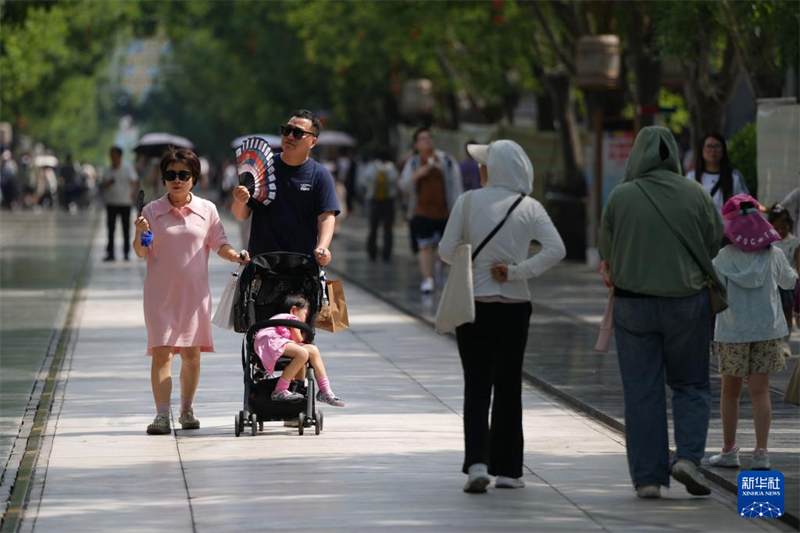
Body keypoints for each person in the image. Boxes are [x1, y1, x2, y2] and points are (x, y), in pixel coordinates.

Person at [599, 126, 723, 500]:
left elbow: (607, 249)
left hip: (632, 305)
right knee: (690, 385)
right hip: (686, 303)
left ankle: (648, 478)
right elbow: (713, 240)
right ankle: (687, 458)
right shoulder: (695, 193)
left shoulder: (620, 196)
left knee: (642, 391)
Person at [439, 140, 566, 493]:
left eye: (484, 164)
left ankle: (478, 464)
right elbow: (557, 249)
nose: (479, 168)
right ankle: (510, 471)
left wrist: (472, 255)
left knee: (477, 386)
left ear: (493, 170)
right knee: (509, 387)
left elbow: (446, 252)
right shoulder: (531, 207)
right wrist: (515, 271)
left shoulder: (467, 202)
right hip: (515, 307)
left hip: (474, 306)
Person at [134, 148, 249, 435]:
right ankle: (162, 416)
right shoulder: (151, 212)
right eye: (170, 175)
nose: (176, 180)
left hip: (195, 296)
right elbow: (140, 251)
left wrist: (235, 255)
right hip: (160, 296)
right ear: (163, 179)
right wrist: (139, 232)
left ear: (194, 178)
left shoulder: (207, 210)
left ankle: (186, 409)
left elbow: (219, 243)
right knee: (162, 355)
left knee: (191, 356)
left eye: (183, 175)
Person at [708, 195, 797, 470]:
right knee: (760, 392)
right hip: (767, 330)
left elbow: (713, 292)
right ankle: (761, 453)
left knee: (730, 393)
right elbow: (789, 282)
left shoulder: (723, 258)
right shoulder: (775, 254)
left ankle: (729, 451)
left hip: (732, 332)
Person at [231, 109, 339, 267]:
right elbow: (241, 215)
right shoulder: (262, 168)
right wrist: (240, 201)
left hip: (302, 267)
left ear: (313, 142)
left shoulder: (321, 175)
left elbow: (327, 216)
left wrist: (323, 247)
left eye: (298, 133)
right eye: (287, 130)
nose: (289, 136)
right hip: (262, 265)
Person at [400, 127, 463, 293]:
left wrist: (458, 209)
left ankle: (439, 269)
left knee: (446, 247)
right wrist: (419, 174)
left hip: (445, 211)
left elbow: (456, 186)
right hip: (421, 211)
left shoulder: (446, 160)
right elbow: (404, 185)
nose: (427, 141)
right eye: (422, 139)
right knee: (425, 246)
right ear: (416, 144)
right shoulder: (413, 163)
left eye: (429, 138)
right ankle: (427, 279)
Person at [253, 294, 345, 407]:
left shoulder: (280, 319)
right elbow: (298, 340)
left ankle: (325, 390)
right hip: (271, 341)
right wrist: (306, 334)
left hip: (271, 342)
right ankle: (280, 390)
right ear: (294, 310)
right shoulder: (292, 319)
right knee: (302, 353)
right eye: (305, 314)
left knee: (313, 350)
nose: (305, 318)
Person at [685, 132, 749, 214]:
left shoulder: (734, 177)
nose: (713, 150)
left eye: (717, 146)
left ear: (723, 150)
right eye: (709, 146)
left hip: (727, 225)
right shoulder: (691, 177)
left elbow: (744, 204)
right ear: (702, 150)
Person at [768, 203, 800, 356]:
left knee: (787, 313)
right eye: (776, 228)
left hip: (788, 283)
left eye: (783, 227)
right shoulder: (769, 242)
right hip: (772, 283)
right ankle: (774, 343)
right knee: (772, 314)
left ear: (789, 226)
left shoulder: (795, 242)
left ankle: (785, 343)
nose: (780, 231)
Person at [359, 151, 399, 262]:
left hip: (374, 201)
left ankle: (372, 252)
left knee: (373, 228)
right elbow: (396, 183)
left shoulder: (371, 166)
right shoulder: (392, 168)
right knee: (388, 229)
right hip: (388, 201)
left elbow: (363, 182)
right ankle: (387, 253)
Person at [100, 146, 138, 261]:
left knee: (126, 229)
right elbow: (102, 184)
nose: (113, 158)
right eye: (111, 156)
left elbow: (134, 181)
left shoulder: (127, 168)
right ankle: (110, 252)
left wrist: (133, 193)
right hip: (111, 202)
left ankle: (126, 252)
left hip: (125, 202)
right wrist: (107, 184)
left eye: (114, 155)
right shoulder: (107, 169)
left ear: (120, 156)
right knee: (111, 228)